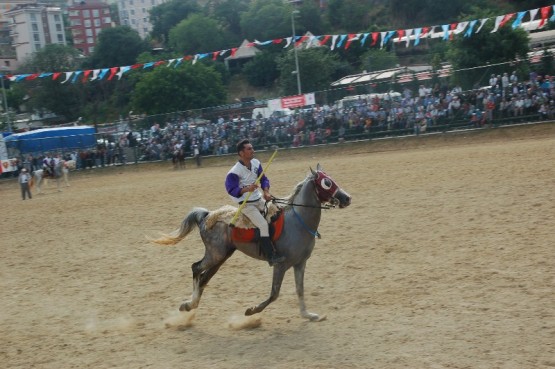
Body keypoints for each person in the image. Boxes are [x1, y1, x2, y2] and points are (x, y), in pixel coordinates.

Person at [225, 139, 285, 266]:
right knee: (263, 225)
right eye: (249, 149)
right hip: (246, 204)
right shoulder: (234, 172)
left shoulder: (256, 163)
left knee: (279, 211)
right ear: (241, 153)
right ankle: (270, 256)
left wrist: (266, 192)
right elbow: (231, 189)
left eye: (252, 148)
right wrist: (247, 189)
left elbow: (264, 179)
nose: (253, 150)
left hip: (259, 199)